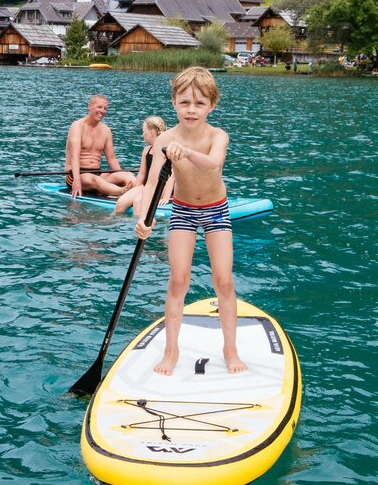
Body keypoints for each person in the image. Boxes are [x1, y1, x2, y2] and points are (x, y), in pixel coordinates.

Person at [135, 66, 245, 376]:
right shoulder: (165, 140)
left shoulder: (217, 135)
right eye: (184, 103)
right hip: (182, 210)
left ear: (212, 105)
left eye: (199, 103)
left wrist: (187, 154)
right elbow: (154, 180)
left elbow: (213, 164)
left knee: (223, 279)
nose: (191, 110)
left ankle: (230, 348)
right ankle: (171, 351)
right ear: (174, 103)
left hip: (216, 209)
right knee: (178, 279)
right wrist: (145, 218)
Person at [65, 94, 135, 199]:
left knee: (128, 175)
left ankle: (138, 193)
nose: (102, 111)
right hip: (76, 175)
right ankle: (121, 191)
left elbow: (111, 158)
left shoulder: (106, 130)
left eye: (105, 108)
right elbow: (74, 156)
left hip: (97, 173)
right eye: (99, 107)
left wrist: (120, 176)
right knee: (96, 180)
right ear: (90, 106)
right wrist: (76, 180)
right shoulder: (77, 126)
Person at [113, 116, 175, 217]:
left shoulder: (166, 150)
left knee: (138, 202)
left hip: (161, 186)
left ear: (151, 133)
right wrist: (134, 190)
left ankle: (140, 228)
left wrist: (166, 197)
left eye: (143, 131)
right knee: (121, 203)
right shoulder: (146, 150)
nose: (142, 135)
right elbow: (141, 175)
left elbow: (172, 176)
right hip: (146, 185)